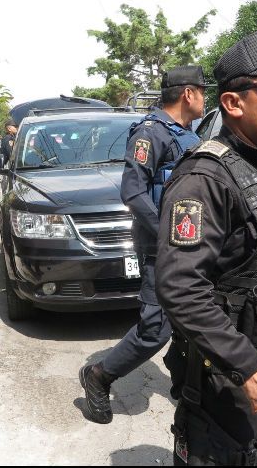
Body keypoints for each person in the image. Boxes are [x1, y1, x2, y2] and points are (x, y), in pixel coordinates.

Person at [155, 30, 257, 465]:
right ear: (233, 103)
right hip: (225, 370)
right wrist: (246, 365)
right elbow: (179, 288)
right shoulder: (204, 180)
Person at [79, 65, 209, 424]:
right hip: (162, 248)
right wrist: (168, 234)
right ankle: (99, 376)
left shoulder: (188, 135)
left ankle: (189, 390)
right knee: (156, 329)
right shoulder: (149, 134)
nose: (205, 98)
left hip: (194, 248)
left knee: (197, 319)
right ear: (188, 94)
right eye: (203, 91)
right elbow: (133, 192)